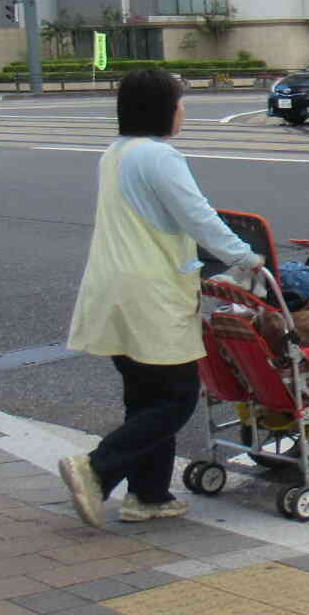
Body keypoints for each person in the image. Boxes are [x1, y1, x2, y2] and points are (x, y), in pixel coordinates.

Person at [61, 68, 264, 527]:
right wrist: (246, 259)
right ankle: (96, 468)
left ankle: (148, 496)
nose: (183, 109)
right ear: (163, 107)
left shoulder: (115, 153)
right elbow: (199, 218)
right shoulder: (159, 157)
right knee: (175, 397)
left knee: (144, 395)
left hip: (112, 288)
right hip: (149, 291)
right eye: (180, 101)